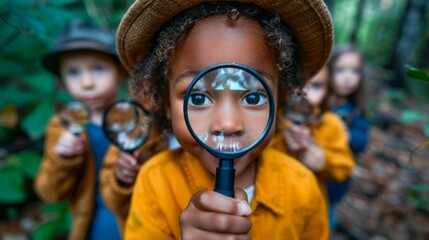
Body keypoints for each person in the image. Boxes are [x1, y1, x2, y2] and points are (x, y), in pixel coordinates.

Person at [118, 1, 334, 239]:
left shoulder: (303, 188)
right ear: (167, 105)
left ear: (278, 101)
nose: (228, 124)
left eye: (253, 97)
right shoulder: (155, 183)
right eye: (198, 98)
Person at [33, 20, 163, 239]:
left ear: (120, 72)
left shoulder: (140, 121)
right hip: (90, 225)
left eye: (98, 68)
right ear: (62, 82)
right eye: (73, 72)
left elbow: (161, 171)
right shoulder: (62, 126)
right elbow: (49, 193)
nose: (87, 83)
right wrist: (63, 158)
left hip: (138, 219)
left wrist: (131, 171)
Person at [270, 66, 354, 234]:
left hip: (311, 204)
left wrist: (323, 161)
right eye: (296, 84)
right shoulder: (271, 119)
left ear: (327, 90)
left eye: (315, 86)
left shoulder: (330, 124)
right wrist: (281, 140)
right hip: (274, 202)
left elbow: (345, 168)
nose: (304, 92)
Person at [325, 43, 369, 231]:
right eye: (341, 70)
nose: (348, 77)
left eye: (355, 71)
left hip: (335, 182)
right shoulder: (319, 102)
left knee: (326, 220)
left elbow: (362, 142)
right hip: (309, 173)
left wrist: (345, 135)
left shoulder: (356, 110)